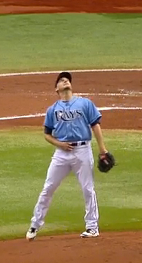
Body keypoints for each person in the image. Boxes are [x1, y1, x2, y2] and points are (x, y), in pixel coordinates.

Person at [26, 71, 110, 241]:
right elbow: (47, 134)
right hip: (61, 154)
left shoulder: (85, 104)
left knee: (88, 189)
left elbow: (95, 125)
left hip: (82, 150)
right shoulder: (52, 110)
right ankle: (35, 225)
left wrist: (103, 150)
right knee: (48, 188)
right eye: (61, 80)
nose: (65, 81)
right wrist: (60, 144)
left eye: (67, 80)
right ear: (56, 89)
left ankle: (92, 227)